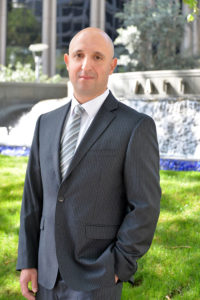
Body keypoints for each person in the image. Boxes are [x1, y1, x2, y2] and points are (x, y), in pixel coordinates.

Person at [17, 27, 161, 300]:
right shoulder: (45, 123)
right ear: (67, 61)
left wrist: (120, 265)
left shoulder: (134, 126)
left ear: (112, 66)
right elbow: (33, 199)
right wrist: (28, 260)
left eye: (97, 57)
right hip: (45, 275)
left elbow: (145, 206)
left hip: (97, 276)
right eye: (79, 55)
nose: (86, 65)